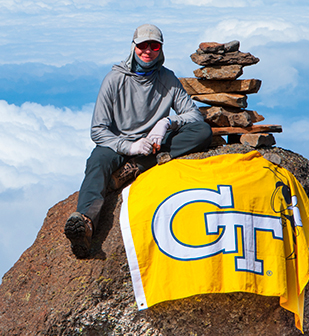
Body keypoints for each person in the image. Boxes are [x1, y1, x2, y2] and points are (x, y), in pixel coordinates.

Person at [64, 24, 212, 258]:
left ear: (160, 48)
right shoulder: (114, 80)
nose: (148, 51)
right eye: (142, 45)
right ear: (133, 47)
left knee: (202, 132)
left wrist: (166, 123)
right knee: (98, 161)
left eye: (154, 46)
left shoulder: (168, 79)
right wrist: (129, 146)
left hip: (154, 144)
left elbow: (193, 115)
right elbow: (98, 130)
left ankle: (135, 168)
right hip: (118, 144)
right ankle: (85, 224)